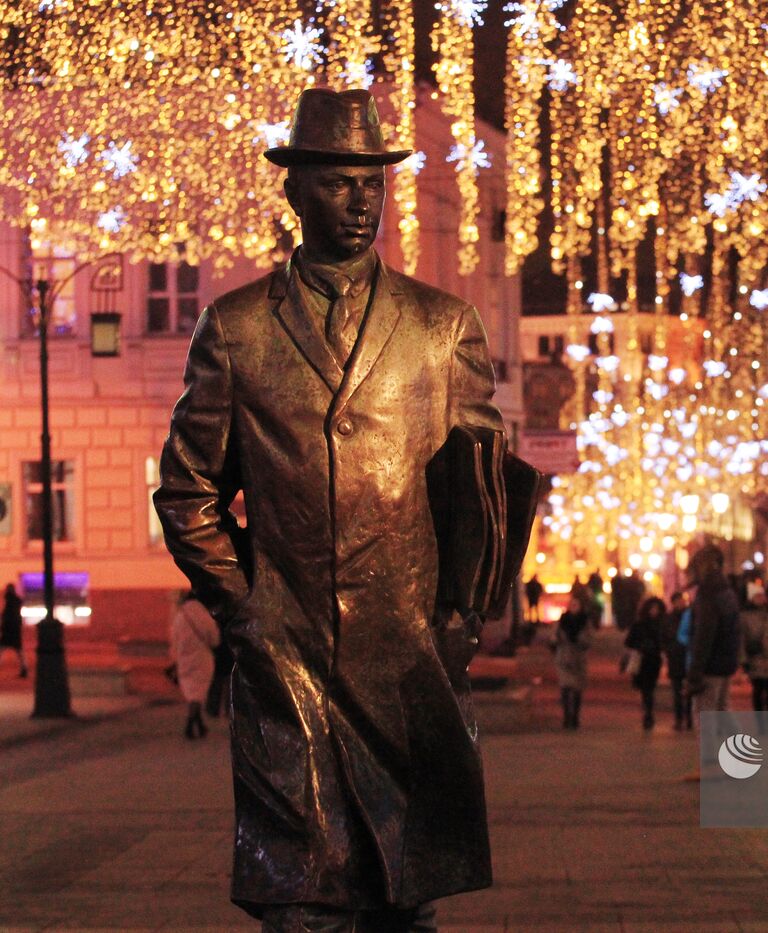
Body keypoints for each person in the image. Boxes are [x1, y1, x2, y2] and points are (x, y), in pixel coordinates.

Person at [154, 88, 502, 930]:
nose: (360, 201)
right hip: (291, 655)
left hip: (405, 661)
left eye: (372, 185)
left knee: (402, 900)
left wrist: (460, 615)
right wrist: (244, 605)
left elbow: (479, 490)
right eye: (339, 182)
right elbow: (188, 486)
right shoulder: (236, 329)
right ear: (294, 189)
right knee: (303, 903)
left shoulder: (440, 325)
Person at [683, 544, 741, 714]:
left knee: (705, 713)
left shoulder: (708, 594)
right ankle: (740, 741)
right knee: (723, 709)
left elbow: (704, 635)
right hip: (726, 661)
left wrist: (694, 672)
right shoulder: (727, 591)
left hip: (710, 664)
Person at [169, 591, 220, 739]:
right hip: (202, 659)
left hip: (184, 660)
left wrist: (175, 658)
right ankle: (192, 722)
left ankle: (197, 723)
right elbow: (214, 639)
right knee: (199, 693)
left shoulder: (179, 617)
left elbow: (174, 641)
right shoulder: (205, 616)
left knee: (192, 693)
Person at [739, 588, 768, 719]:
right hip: (755, 657)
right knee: (758, 690)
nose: (761, 599)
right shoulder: (745, 616)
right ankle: (760, 721)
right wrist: (743, 660)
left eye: (762, 596)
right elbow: (742, 639)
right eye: (757, 596)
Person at [625, 596, 666, 729]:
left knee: (649, 687)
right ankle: (648, 711)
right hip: (641, 660)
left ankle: (648, 713)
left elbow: (665, 641)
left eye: (656, 609)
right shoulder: (639, 624)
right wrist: (641, 645)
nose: (654, 611)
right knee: (645, 688)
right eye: (652, 608)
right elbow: (629, 641)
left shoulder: (662, 624)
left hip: (653, 660)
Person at [551, 596, 592, 729]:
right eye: (572, 605)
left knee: (577, 690)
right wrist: (557, 639)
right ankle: (566, 716)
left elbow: (589, 640)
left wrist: (580, 639)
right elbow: (553, 638)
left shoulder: (584, 621)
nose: (574, 607)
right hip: (564, 658)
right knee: (565, 688)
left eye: (576, 605)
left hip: (578, 660)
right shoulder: (562, 620)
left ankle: (575, 716)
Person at [662, 591, 692, 731]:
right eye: (678, 600)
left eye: (682, 600)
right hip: (675, 658)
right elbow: (665, 636)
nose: (681, 603)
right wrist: (669, 649)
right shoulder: (669, 618)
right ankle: (679, 719)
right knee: (677, 690)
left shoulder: (691, 616)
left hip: (689, 657)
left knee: (690, 690)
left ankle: (690, 719)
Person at [1, 583, 28, 678]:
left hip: (8, 629)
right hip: (15, 629)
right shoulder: (17, 601)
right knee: (19, 650)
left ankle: (24, 669)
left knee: (2, 649)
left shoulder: (8, 600)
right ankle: (24, 668)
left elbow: (6, 615)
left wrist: (3, 626)